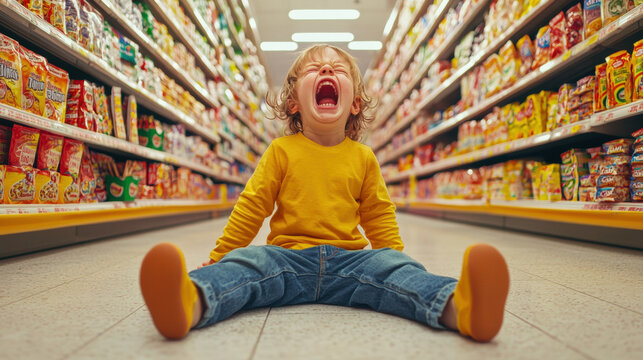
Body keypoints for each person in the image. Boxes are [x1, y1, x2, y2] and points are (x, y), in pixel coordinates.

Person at [139, 44, 510, 342]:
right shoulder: (281, 151)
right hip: (286, 259)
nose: (327, 71)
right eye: (314, 69)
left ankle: (461, 306)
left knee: (400, 275)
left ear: (356, 104)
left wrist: (393, 259)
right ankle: (190, 300)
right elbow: (253, 206)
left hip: (352, 261)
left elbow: (379, 214)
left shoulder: (363, 157)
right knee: (246, 267)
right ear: (294, 103)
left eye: (339, 69)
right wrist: (221, 256)